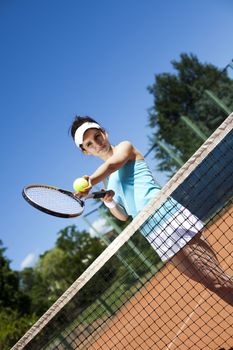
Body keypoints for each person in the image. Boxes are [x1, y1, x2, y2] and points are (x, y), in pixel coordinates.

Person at [70, 115, 233, 306]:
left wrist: (90, 181)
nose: (97, 144)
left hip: (169, 217)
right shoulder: (106, 181)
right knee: (212, 284)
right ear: (85, 151)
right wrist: (109, 201)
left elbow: (113, 164)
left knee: (216, 277)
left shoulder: (125, 147)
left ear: (104, 133)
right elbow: (123, 216)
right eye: (89, 144)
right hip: (153, 233)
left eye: (97, 137)